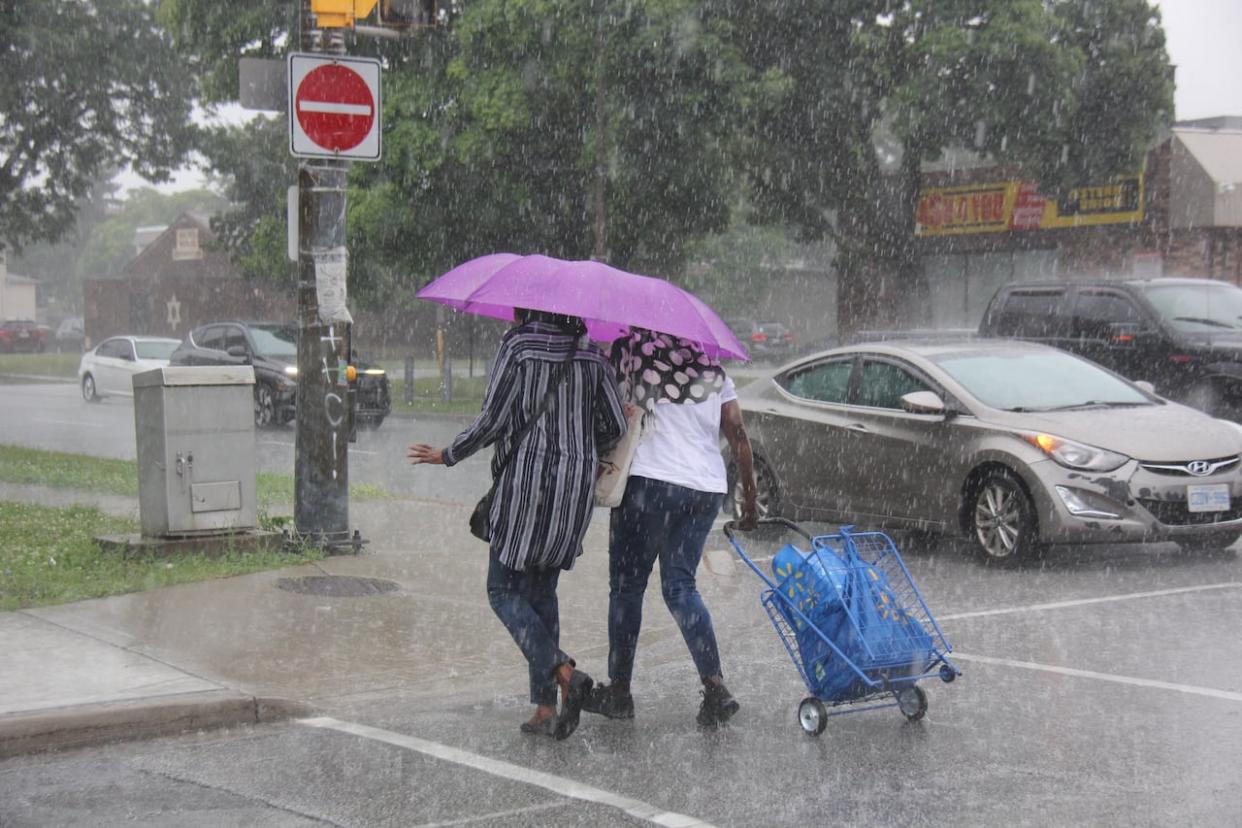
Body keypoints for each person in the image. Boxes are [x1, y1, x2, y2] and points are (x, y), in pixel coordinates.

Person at [407, 309, 627, 739]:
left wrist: (448, 453)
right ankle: (546, 708)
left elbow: (492, 419)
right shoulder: (592, 356)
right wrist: (577, 448)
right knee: (542, 590)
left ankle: (565, 674)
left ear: (529, 307)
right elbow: (615, 425)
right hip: (573, 492)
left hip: (526, 485)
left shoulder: (519, 346)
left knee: (502, 588)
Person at [584, 328, 758, 727]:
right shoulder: (713, 369)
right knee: (681, 587)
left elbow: (607, 419)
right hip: (704, 489)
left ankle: (620, 692)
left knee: (628, 587)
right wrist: (748, 497)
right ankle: (715, 687)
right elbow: (738, 432)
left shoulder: (630, 355)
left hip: (649, 484)